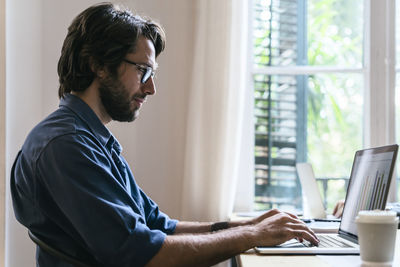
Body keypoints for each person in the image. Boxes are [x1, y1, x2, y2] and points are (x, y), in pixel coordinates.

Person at [10, 3, 319, 266]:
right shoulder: (66, 145)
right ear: (100, 65)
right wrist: (251, 236)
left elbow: (159, 226)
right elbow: (142, 253)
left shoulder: (89, 140)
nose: (151, 88)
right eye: (143, 71)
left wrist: (248, 225)